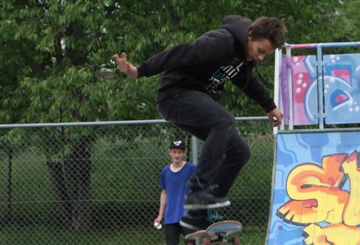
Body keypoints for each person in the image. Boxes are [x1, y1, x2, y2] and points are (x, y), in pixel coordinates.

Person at [113, 15, 287, 232]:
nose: (260, 57)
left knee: (239, 152)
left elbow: (247, 82)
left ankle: (198, 215)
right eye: (260, 51)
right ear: (249, 35)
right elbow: (180, 52)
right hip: (175, 95)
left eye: (265, 55)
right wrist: (140, 70)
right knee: (225, 121)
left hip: (193, 100)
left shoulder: (243, 59)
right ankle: (197, 191)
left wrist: (269, 106)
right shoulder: (221, 42)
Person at [154, 139, 201, 245]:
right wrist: (160, 215)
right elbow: (164, 192)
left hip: (187, 216)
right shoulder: (165, 171)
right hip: (171, 217)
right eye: (174, 152)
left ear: (184, 153)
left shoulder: (191, 169)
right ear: (170, 153)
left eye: (179, 152)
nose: (177, 155)